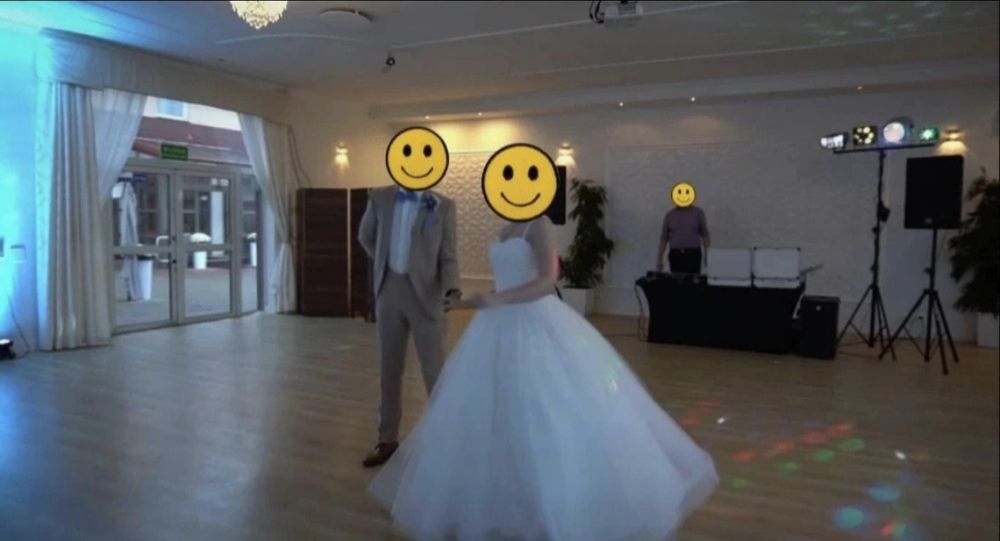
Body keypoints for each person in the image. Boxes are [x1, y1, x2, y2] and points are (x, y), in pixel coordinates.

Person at [369, 214, 718, 541]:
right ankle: (502, 491)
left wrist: (491, 299)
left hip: (533, 322)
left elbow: (547, 281)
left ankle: (553, 497)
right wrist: (476, 299)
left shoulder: (539, 224)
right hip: (496, 327)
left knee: (544, 407)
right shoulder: (507, 226)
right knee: (497, 410)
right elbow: (507, 277)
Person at [357, 127, 461, 468]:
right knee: (389, 371)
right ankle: (386, 439)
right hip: (389, 291)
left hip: (428, 296)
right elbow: (365, 236)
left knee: (435, 373)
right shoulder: (379, 198)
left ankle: (447, 444)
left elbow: (448, 255)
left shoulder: (443, 206)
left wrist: (452, 287)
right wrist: (383, 264)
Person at [656, 182, 710, 274]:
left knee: (693, 280)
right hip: (675, 254)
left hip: (693, 254)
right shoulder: (670, 215)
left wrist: (707, 255)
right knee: (676, 280)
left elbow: (705, 235)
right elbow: (664, 238)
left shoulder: (698, 213)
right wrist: (659, 258)